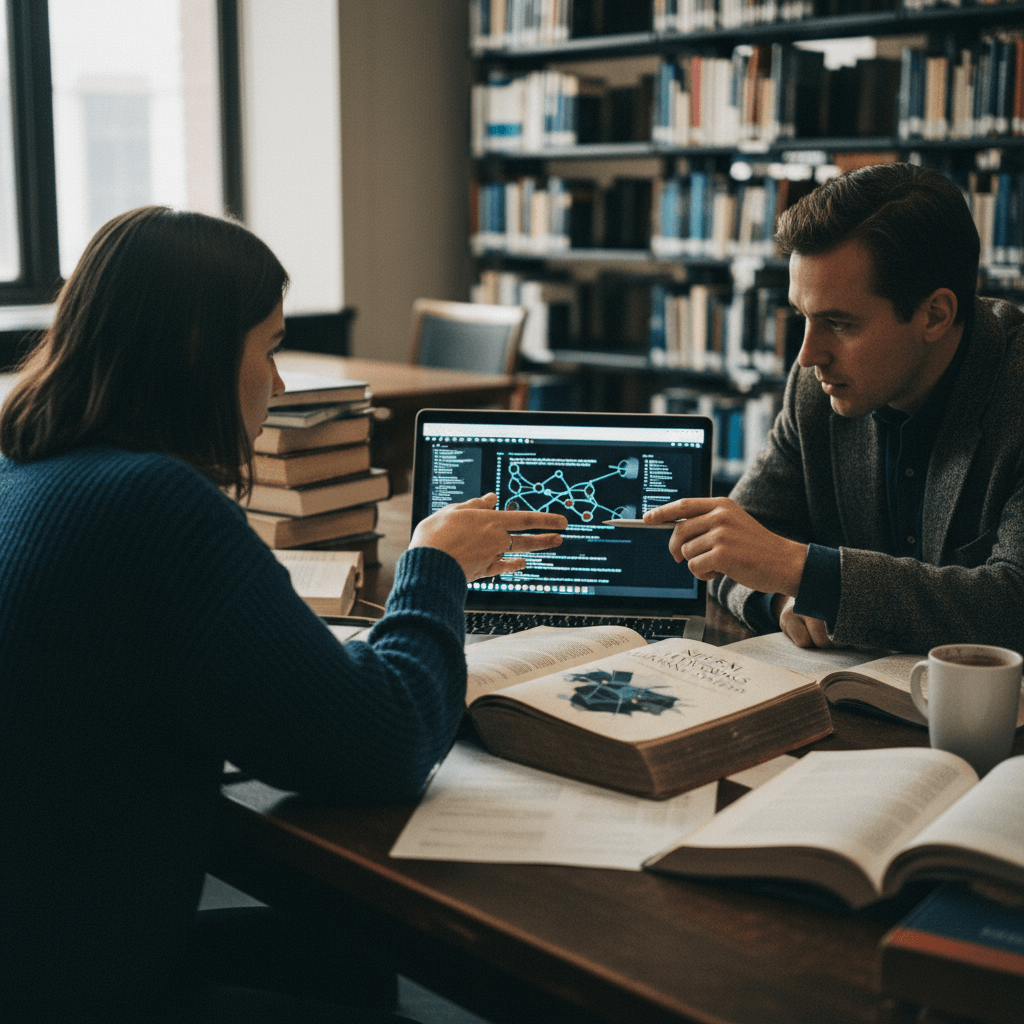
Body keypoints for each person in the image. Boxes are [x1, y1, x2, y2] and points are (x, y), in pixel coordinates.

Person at [0, 205, 567, 1023]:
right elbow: (388, 740)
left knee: (339, 954)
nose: (281, 383)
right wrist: (435, 564)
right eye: (269, 348)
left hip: (39, 953)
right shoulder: (156, 504)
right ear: (198, 351)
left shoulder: (24, 472)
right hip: (81, 988)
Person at [644, 162, 1024, 654]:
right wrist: (783, 599)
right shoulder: (815, 389)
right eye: (802, 317)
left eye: (839, 323)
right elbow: (729, 546)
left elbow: (1013, 604)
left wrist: (806, 572)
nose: (807, 355)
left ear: (935, 315)